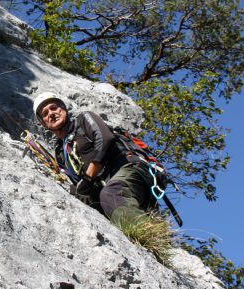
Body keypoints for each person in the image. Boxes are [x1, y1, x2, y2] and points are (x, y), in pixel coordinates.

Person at [33, 92, 156, 224]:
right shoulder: (60, 153)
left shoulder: (83, 120)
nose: (51, 113)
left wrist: (88, 176)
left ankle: (145, 233)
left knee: (110, 194)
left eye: (54, 108)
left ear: (63, 109)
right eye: (45, 113)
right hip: (104, 188)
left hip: (126, 169)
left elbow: (105, 138)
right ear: (43, 123)